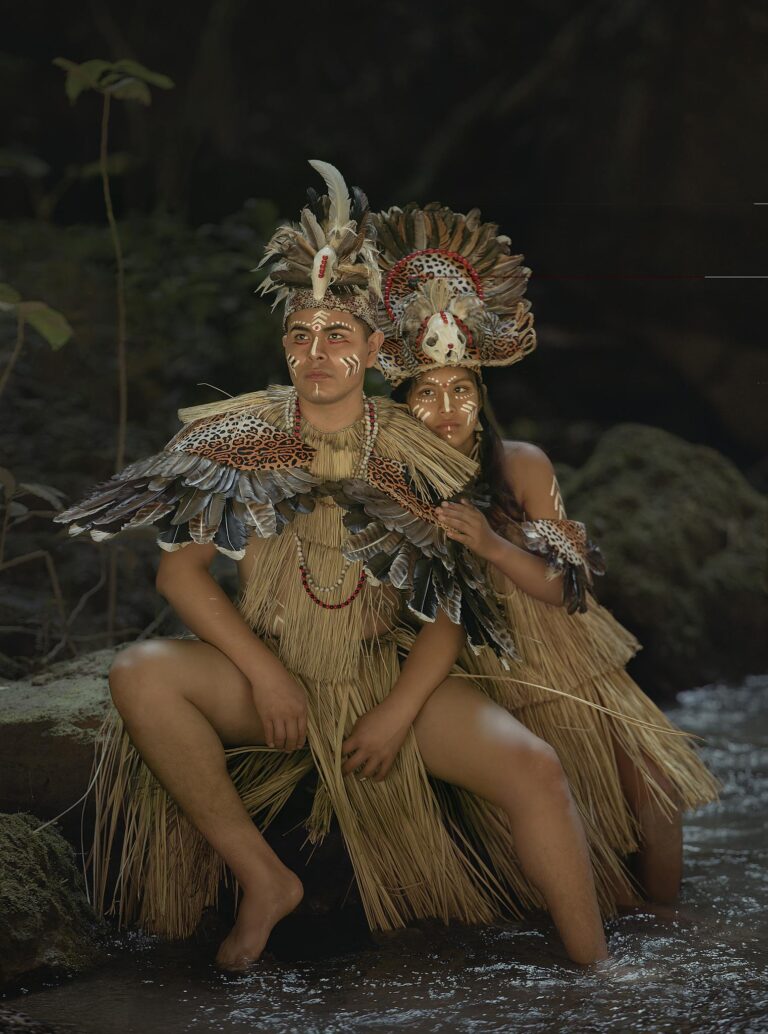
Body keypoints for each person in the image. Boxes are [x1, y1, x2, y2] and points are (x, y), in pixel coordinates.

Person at [54, 163, 611, 969]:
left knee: (535, 766)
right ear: (284, 343)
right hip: (265, 679)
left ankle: (598, 972)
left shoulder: (417, 450)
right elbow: (178, 577)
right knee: (140, 673)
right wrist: (266, 675)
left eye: (337, 335)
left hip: (380, 684)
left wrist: (396, 713)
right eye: (299, 335)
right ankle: (263, 878)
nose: (315, 353)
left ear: (376, 348)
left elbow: (451, 608)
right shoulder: (235, 437)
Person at [374, 200, 720, 915]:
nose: (446, 409)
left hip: (574, 657)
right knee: (574, 817)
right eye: (428, 393)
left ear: (483, 395)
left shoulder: (524, 465)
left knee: (655, 788)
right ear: (404, 404)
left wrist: (493, 543)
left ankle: (670, 923)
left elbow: (568, 591)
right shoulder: (390, 485)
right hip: (492, 675)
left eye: (461, 389)